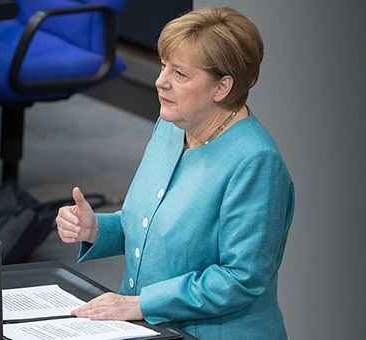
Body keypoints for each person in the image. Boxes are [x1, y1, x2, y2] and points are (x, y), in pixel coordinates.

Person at [56, 7, 294, 340]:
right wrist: (97, 228)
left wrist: (140, 305)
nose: (160, 82)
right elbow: (150, 227)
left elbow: (241, 280)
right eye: (163, 66)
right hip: (146, 325)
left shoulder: (256, 162)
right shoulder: (171, 126)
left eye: (179, 74)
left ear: (222, 87)